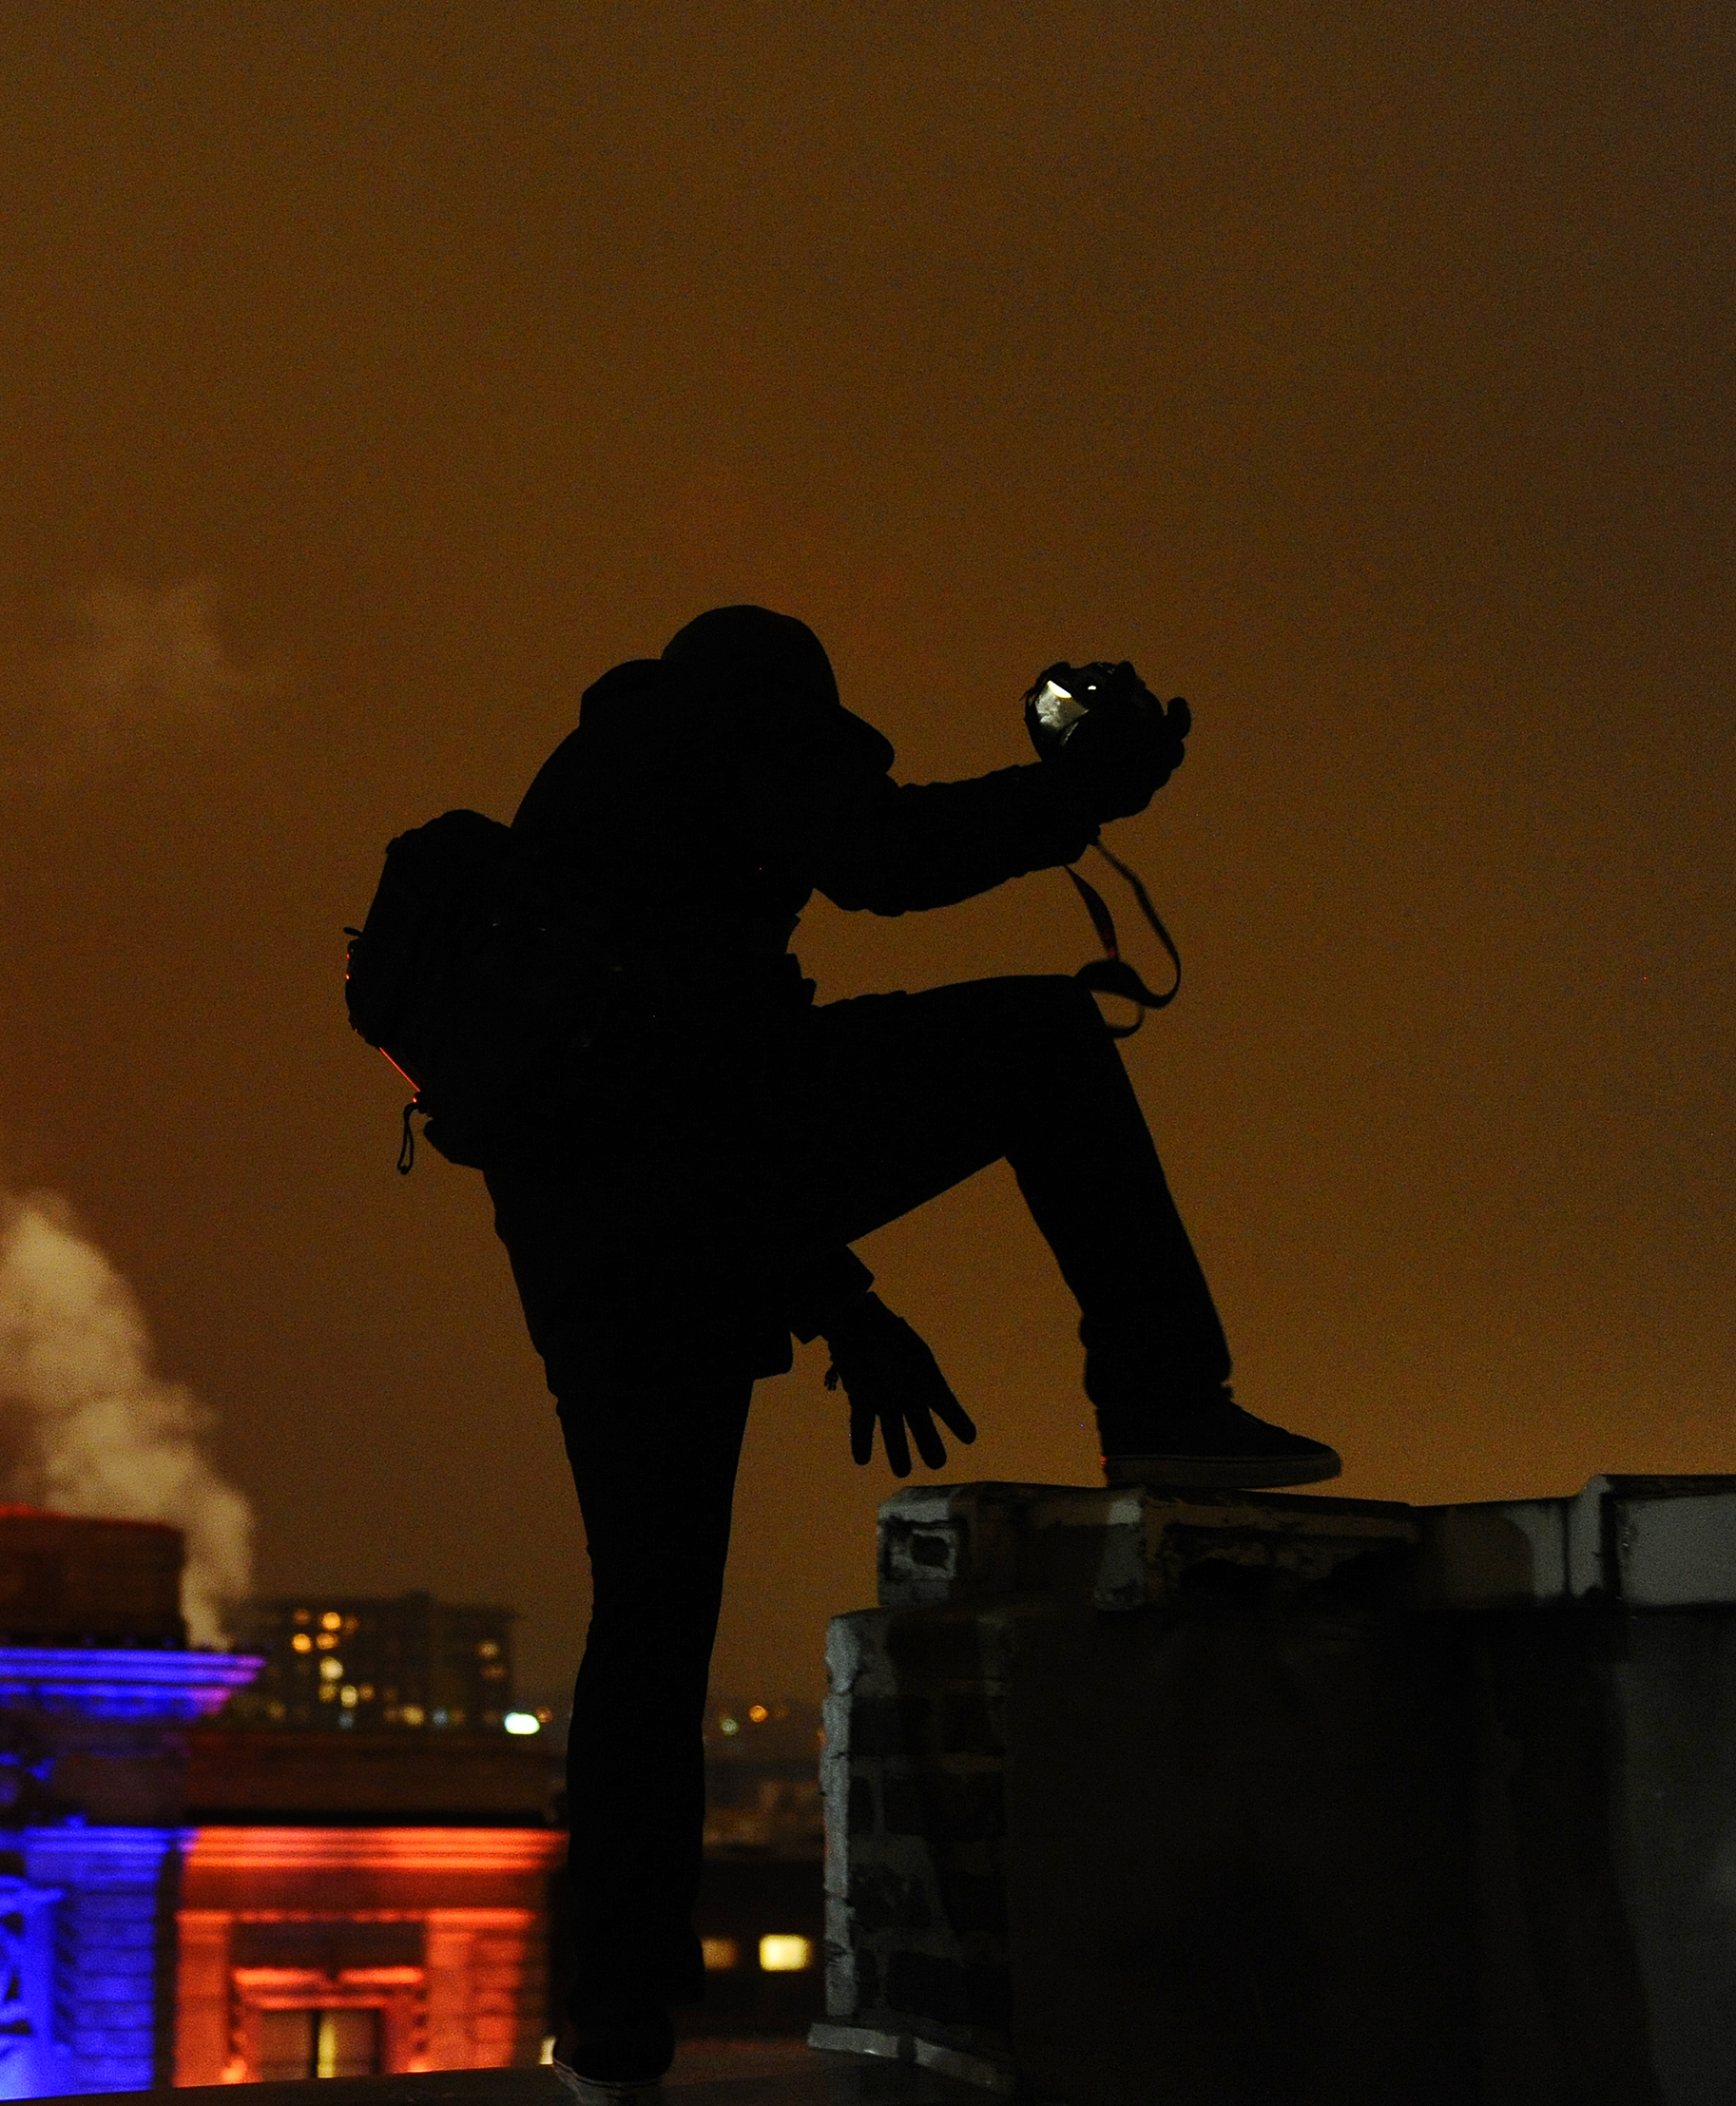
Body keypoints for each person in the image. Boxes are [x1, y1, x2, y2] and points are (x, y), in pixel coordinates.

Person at [490, 606, 1336, 2103]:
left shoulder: (592, 800)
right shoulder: (729, 736)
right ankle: (1161, 1403)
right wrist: (1085, 792)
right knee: (1041, 1045)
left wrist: (831, 1295)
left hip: (600, 1256)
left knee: (649, 1625)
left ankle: (610, 2032)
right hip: (687, 1208)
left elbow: (670, 1093)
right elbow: (882, 865)